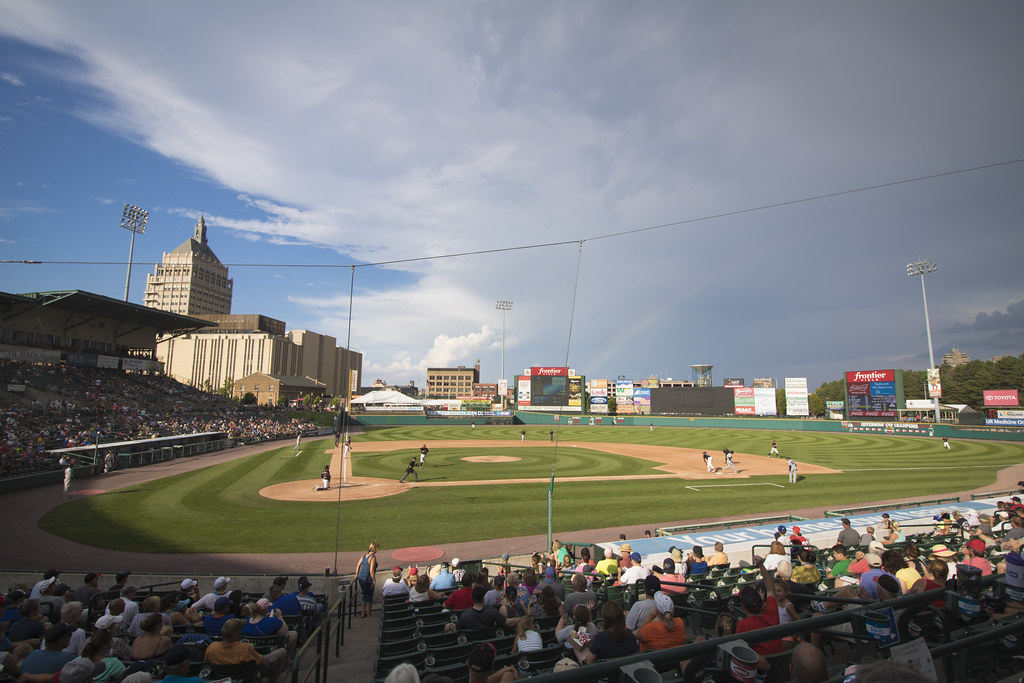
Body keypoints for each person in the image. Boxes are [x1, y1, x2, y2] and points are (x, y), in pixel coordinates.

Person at [204, 618, 287, 683]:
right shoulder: (245, 648)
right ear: (235, 634)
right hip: (248, 678)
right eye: (240, 630)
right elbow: (263, 662)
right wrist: (251, 648)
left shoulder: (212, 648)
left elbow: (207, 664)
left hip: (222, 679)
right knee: (282, 652)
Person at [572, 600, 637, 664]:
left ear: (605, 618)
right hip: (624, 668)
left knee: (574, 641)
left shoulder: (601, 637)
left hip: (604, 671)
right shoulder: (630, 634)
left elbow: (588, 662)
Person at [355, 542, 379, 618]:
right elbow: (371, 570)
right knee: (369, 596)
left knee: (364, 596)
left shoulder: (364, 555)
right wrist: (374, 580)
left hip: (361, 578)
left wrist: (356, 574)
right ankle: (368, 614)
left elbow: (358, 564)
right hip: (368, 579)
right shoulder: (373, 557)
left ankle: (363, 613)